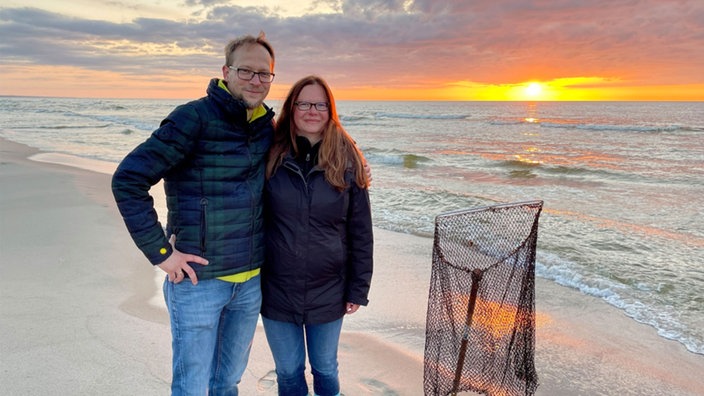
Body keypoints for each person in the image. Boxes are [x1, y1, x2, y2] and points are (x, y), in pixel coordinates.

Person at [112, 33, 276, 395]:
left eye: (264, 74)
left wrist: (354, 161)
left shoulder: (267, 126)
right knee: (191, 387)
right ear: (226, 71)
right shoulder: (192, 118)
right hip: (198, 282)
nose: (255, 80)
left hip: (250, 284)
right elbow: (128, 179)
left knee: (227, 384)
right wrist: (162, 253)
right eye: (246, 71)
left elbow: (312, 145)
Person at [261, 75, 374, 396]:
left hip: (329, 288)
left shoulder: (348, 159)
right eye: (305, 103)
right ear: (292, 108)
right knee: (288, 371)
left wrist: (358, 287)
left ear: (330, 109)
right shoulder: (270, 154)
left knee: (324, 367)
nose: (313, 111)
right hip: (277, 288)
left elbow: (361, 232)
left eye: (321, 104)